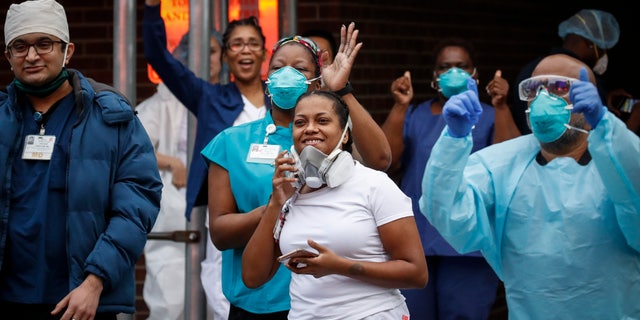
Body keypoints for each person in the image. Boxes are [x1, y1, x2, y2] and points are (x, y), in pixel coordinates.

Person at [420, 53, 640, 318]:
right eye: (534, 89)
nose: (543, 99)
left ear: (589, 97)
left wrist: (606, 127)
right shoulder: (500, 164)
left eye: (559, 87)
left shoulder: (616, 158)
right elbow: (447, 214)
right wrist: (454, 139)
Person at [201, 24, 392, 319]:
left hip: (325, 301)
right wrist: (276, 207)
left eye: (299, 68)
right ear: (268, 80)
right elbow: (221, 234)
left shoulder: (330, 136)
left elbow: (380, 160)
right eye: (277, 68)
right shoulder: (231, 142)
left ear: (317, 81)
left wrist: (341, 91)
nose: (286, 75)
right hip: (258, 302)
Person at [0, 1, 162, 319]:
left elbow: (136, 207)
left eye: (44, 43)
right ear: (9, 57)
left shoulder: (111, 117)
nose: (31, 55)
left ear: (68, 51)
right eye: (20, 46)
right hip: (9, 297)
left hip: (82, 301)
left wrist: (95, 281)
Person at [241, 90, 428, 319]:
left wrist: (338, 266)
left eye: (322, 120)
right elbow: (252, 277)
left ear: (345, 135)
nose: (309, 128)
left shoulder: (375, 185)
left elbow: (416, 274)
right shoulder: (289, 193)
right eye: (300, 122)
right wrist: (275, 203)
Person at [143, 1, 270, 318]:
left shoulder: (279, 98)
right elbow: (160, 58)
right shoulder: (210, 98)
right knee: (221, 290)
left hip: (279, 209)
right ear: (227, 55)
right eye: (236, 44)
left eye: (253, 43)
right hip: (229, 217)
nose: (245, 50)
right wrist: (150, 9)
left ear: (264, 53)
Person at [381, 37, 518, 320]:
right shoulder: (416, 114)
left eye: (461, 66)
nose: (453, 72)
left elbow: (509, 164)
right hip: (417, 237)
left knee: (464, 314)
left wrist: (502, 105)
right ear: (434, 75)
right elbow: (387, 160)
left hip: (470, 242)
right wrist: (399, 106)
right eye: (444, 67)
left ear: (475, 74)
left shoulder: (489, 115)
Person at [136, 28, 225, 320]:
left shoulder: (229, 99)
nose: (206, 59)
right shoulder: (164, 100)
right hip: (174, 221)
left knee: (219, 306)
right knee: (171, 308)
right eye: (200, 51)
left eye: (212, 51)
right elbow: (130, 147)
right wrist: (173, 163)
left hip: (221, 219)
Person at [510, 9, 620, 135]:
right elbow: (601, 138)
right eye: (602, 49)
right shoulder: (583, 78)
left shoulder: (530, 71)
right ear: (590, 43)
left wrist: (605, 98)